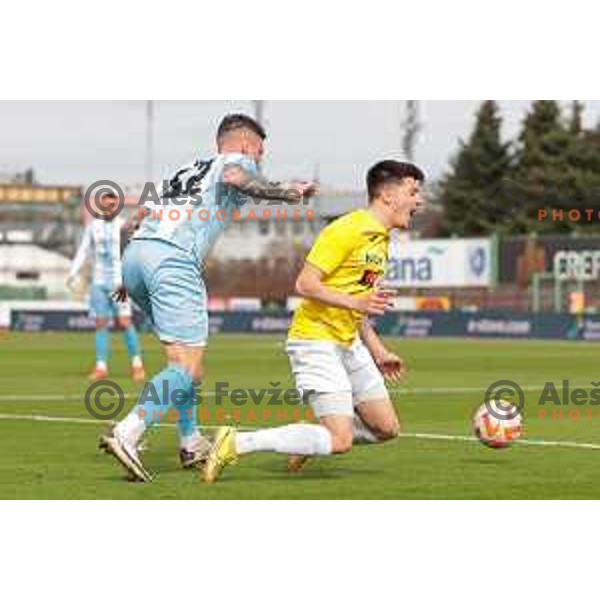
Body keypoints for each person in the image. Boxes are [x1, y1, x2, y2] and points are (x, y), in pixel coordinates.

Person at [100, 114, 317, 482]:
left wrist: (127, 273)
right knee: (186, 368)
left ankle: (191, 442)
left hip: (137, 257)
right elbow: (237, 177)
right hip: (173, 260)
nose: (259, 160)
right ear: (247, 145)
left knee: (186, 366)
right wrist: (289, 194)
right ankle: (128, 432)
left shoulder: (183, 170)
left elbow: (131, 222)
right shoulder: (236, 162)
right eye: (260, 152)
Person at [203, 160, 425, 484]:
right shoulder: (347, 229)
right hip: (315, 341)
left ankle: (310, 439)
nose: (420, 201)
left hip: (349, 343)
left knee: (386, 429)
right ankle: (235, 442)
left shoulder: (381, 241)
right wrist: (357, 302)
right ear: (388, 195)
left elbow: (358, 308)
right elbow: (305, 284)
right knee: (340, 441)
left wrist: (378, 350)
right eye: (413, 192)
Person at [67, 192, 145, 382]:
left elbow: (136, 251)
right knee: (100, 324)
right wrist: (72, 272)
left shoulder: (124, 226)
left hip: (120, 283)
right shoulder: (93, 227)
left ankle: (137, 365)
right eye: (105, 205)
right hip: (98, 282)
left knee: (125, 322)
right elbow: (84, 250)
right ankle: (101, 367)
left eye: (112, 205)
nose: (108, 208)